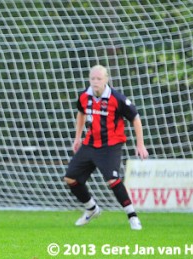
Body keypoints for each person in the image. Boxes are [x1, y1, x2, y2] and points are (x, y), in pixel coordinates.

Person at [63, 65, 149, 230]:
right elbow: (81, 113)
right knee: (70, 178)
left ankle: (132, 216)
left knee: (113, 180)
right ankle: (91, 209)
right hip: (89, 143)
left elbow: (135, 118)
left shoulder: (117, 98)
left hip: (110, 145)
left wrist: (140, 144)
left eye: (99, 79)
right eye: (92, 78)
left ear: (106, 80)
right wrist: (77, 137)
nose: (95, 82)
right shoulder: (84, 96)